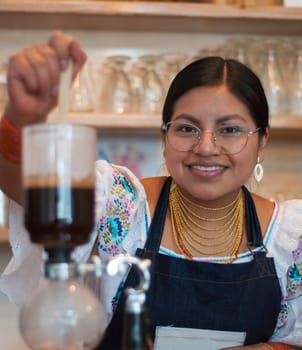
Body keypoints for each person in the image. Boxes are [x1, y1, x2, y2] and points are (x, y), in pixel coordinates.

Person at [0, 31, 301, 350]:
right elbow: (24, 184)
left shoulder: (291, 238)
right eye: (187, 128)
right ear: (165, 135)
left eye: (230, 130)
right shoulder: (119, 203)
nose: (206, 147)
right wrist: (21, 118)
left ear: (262, 142)